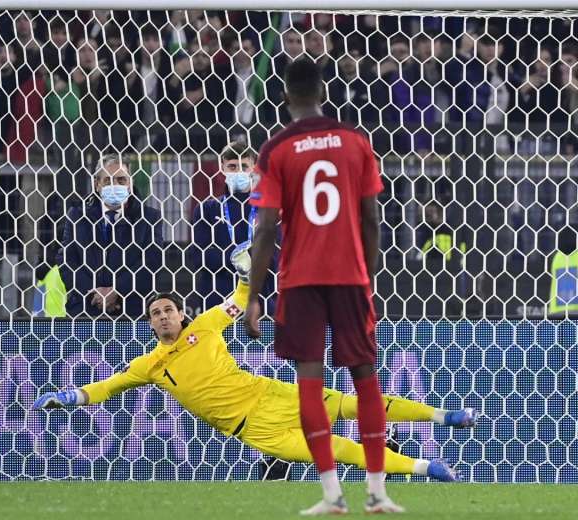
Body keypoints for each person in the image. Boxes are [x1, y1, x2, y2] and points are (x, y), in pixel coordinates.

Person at [33, 279, 469, 484]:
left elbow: (240, 299)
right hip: (256, 431)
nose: (163, 317)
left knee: (356, 404)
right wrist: (69, 396)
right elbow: (107, 387)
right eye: (156, 314)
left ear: (181, 314)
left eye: (168, 310)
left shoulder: (206, 324)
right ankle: (427, 468)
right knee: (338, 452)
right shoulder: (149, 365)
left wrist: (248, 269)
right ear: (149, 324)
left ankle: (443, 416)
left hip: (270, 394)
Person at [243, 57, 397, 514]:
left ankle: (331, 494)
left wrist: (254, 297)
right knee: (365, 377)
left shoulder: (276, 149)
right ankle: (377, 492)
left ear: (285, 96)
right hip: (350, 277)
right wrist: (367, 278)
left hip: (301, 281)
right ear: (323, 92)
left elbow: (265, 229)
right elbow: (372, 219)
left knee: (310, 382)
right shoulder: (355, 141)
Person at [57, 154, 164, 318]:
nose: (115, 185)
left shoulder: (149, 217)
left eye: (121, 180)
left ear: (130, 183)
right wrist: (95, 293)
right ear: (97, 185)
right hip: (84, 309)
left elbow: (152, 261)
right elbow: (66, 259)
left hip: (131, 311)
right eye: (108, 180)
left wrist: (118, 290)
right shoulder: (77, 215)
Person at [189, 139, 259, 313]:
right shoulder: (206, 209)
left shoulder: (268, 210)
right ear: (222, 168)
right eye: (232, 167)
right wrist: (236, 259)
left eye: (244, 166)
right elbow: (198, 256)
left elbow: (278, 254)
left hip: (260, 299)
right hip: (218, 300)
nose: (239, 172)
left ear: (254, 168)